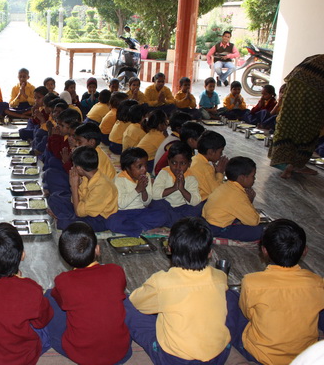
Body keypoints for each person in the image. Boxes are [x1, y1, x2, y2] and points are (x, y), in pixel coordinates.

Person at [125, 217, 233, 365]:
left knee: (126, 304)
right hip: (219, 354)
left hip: (175, 359)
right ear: (210, 253)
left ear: (169, 249)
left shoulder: (161, 282)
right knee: (230, 298)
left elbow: (136, 303)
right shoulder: (220, 277)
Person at [229, 219, 324, 365]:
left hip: (260, 354)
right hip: (303, 355)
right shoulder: (318, 283)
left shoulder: (251, 282)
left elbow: (247, 313)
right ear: (305, 251)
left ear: (264, 250)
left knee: (230, 299)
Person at [45, 222, 131, 365]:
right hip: (121, 352)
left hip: (81, 355)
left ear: (64, 257)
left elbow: (61, 302)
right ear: (97, 250)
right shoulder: (116, 271)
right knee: (122, 302)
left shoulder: (63, 281)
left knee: (48, 297)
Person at [0, 223, 53, 365]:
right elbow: (42, 322)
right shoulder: (31, 290)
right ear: (23, 256)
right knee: (50, 308)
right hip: (22, 358)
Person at [268, 55, 324, 178]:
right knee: (309, 128)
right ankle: (298, 165)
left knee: (288, 121)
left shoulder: (317, 58)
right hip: (315, 92)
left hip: (295, 83)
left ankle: (282, 162)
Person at [48, 146, 118, 232]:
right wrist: (76, 186)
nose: (72, 167)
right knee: (54, 197)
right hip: (84, 207)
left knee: (67, 223)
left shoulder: (101, 187)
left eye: (74, 165)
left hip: (99, 218)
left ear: (79, 169)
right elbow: (77, 199)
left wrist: (74, 186)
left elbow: (79, 213)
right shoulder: (87, 177)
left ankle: (62, 218)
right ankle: (65, 216)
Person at [107, 148, 168, 236]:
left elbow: (147, 203)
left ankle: (135, 227)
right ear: (127, 168)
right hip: (123, 212)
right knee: (112, 223)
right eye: (139, 166)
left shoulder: (146, 176)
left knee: (162, 214)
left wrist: (143, 191)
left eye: (146, 165)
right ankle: (142, 228)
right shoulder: (119, 180)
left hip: (142, 211)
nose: (144, 169)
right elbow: (121, 204)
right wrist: (137, 190)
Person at [202, 156, 263, 242]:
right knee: (258, 231)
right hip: (217, 228)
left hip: (206, 221)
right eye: (253, 176)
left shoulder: (225, 185)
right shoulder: (238, 195)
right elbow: (254, 221)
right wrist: (250, 202)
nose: (254, 179)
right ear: (242, 178)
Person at [152, 141, 202, 225]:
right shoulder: (164, 173)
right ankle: (175, 221)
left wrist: (182, 189)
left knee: (198, 208)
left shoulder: (191, 177)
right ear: (168, 162)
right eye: (174, 163)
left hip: (181, 208)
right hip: (165, 205)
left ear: (189, 163)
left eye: (182, 163)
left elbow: (195, 201)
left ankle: (172, 221)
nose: (178, 167)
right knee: (156, 204)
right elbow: (155, 194)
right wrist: (174, 188)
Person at [190, 131, 228, 202]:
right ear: (211, 152)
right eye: (220, 152)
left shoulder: (195, 159)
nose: (221, 154)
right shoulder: (206, 168)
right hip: (199, 204)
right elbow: (217, 193)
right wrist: (220, 173)